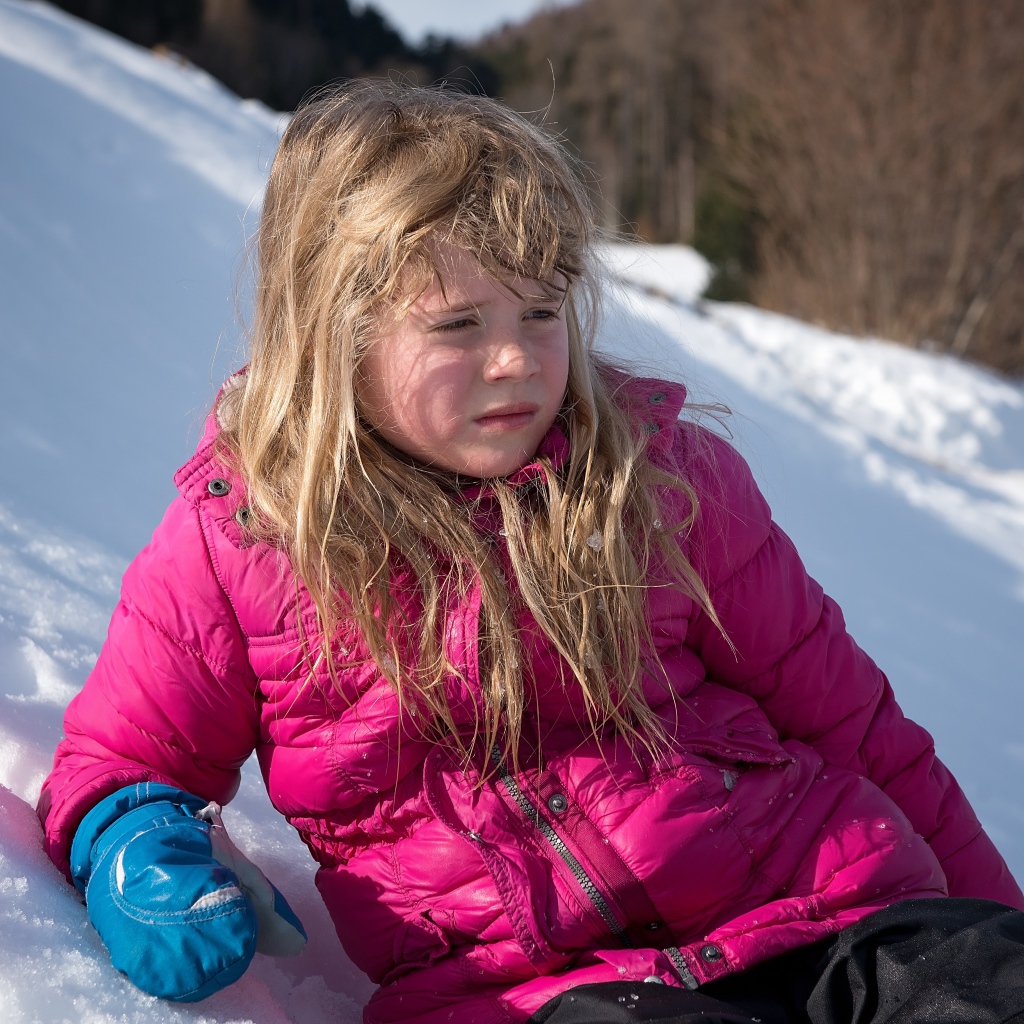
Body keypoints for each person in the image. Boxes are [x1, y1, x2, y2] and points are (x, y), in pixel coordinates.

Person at [38, 81, 1024, 1024]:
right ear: (336, 337)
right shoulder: (246, 544)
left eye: (541, 312)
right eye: (459, 324)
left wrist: (1000, 926)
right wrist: (137, 848)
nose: (515, 357)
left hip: (831, 908)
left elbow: (856, 726)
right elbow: (126, 756)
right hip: (536, 994)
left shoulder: (662, 483)